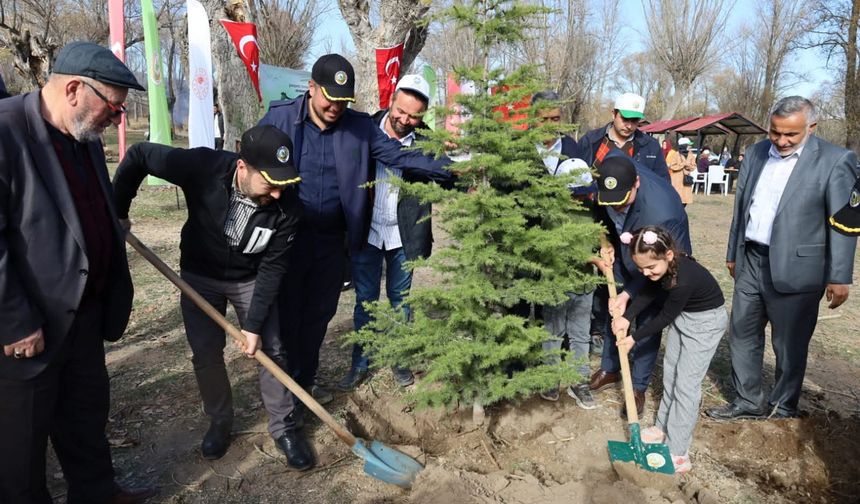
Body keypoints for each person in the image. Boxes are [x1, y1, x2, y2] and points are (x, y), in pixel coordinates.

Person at [0, 41, 157, 504]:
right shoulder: (6, 132)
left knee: (86, 420)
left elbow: (85, 206)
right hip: (30, 329)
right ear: (73, 89)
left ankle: (97, 493)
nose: (117, 119)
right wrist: (15, 320)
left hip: (84, 316)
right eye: (113, 107)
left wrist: (109, 225)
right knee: (20, 450)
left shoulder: (83, 134)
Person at [257, 54, 455, 420]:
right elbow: (252, 159)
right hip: (289, 242)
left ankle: (305, 384)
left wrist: (458, 169)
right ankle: (284, 403)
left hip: (334, 243)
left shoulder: (357, 128)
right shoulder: (282, 118)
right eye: (329, 98)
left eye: (344, 101)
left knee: (320, 316)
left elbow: (405, 158)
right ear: (312, 88)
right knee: (287, 319)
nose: (335, 108)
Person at [112, 125, 314, 469]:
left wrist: (253, 327)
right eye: (270, 183)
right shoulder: (202, 167)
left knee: (272, 347)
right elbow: (139, 156)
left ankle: (284, 428)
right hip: (199, 277)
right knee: (206, 352)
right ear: (242, 168)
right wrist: (118, 210)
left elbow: (272, 269)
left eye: (283, 184)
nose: (278, 194)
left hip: (250, 279)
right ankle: (220, 420)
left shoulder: (289, 209)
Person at [707, 96, 859, 421]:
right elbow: (741, 207)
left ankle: (783, 406)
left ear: (811, 127)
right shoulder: (758, 152)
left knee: (789, 344)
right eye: (775, 132)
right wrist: (733, 252)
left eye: (790, 134)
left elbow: (845, 222)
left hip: (800, 269)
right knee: (743, 332)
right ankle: (747, 401)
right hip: (750, 260)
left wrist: (840, 275)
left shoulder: (836, 160)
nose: (781, 141)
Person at [338, 74, 440, 391]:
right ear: (392, 99)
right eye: (401, 111)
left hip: (403, 237)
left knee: (401, 302)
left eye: (413, 116)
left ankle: (399, 360)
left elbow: (449, 176)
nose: (405, 120)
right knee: (366, 301)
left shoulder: (428, 142)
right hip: (367, 233)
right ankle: (361, 362)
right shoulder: (364, 129)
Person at [612, 226, 727, 474]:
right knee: (672, 374)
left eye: (651, 268)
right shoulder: (660, 271)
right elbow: (648, 292)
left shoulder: (684, 279)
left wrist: (633, 336)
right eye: (641, 268)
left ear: (668, 255)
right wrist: (627, 317)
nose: (645, 272)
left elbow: (664, 316)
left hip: (706, 324)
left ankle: (678, 451)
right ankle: (662, 427)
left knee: (686, 385)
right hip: (684, 317)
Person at [588, 153, 692, 417]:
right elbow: (599, 212)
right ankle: (611, 368)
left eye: (623, 203)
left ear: (636, 183)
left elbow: (663, 269)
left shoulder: (664, 213)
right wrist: (606, 241)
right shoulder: (610, 175)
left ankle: (638, 386)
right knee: (616, 310)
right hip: (625, 255)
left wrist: (630, 292)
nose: (617, 208)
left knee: (646, 320)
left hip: (655, 267)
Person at [578, 92, 669, 181]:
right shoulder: (590, 141)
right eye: (625, 119)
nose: (629, 126)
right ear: (614, 114)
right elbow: (574, 177)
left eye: (634, 120)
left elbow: (663, 184)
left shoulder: (651, 146)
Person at [665, 138, 693, 205]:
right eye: (689, 145)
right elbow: (672, 166)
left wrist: (688, 166)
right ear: (684, 145)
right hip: (677, 179)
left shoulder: (691, 154)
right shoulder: (675, 154)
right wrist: (683, 164)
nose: (690, 147)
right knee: (677, 199)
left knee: (685, 200)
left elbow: (693, 166)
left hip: (686, 179)